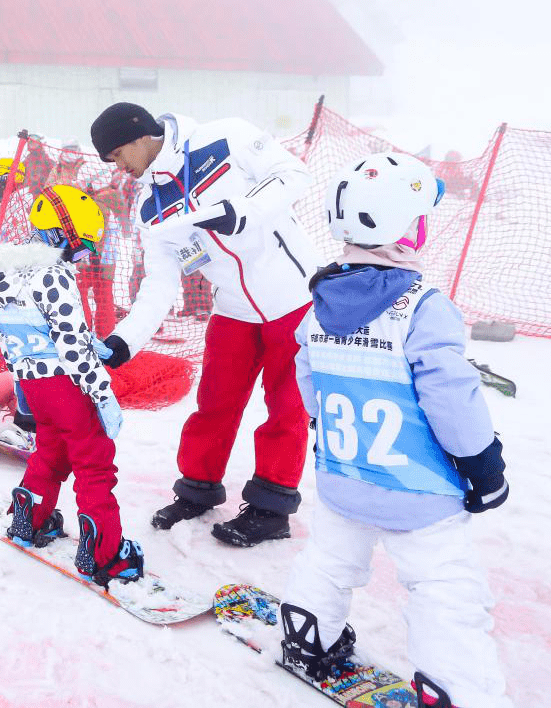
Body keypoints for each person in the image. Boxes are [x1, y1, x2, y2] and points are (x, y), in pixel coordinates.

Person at [281, 152, 513, 708]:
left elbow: (308, 379)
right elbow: (451, 396)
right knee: (443, 588)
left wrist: (327, 429)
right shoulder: (422, 308)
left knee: (330, 560)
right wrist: (482, 462)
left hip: (344, 476)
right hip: (420, 491)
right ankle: (457, 689)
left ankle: (307, 634)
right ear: (407, 229)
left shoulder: (318, 308)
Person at [91, 101, 321, 547]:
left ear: (139, 136)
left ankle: (272, 506)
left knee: (286, 406)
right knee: (213, 402)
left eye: (117, 155)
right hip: (232, 309)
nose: (119, 168)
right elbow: (159, 285)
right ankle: (197, 489)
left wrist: (242, 210)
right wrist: (124, 340)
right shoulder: (149, 207)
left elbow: (294, 176)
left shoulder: (225, 136)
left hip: (291, 299)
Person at [0, 184, 141, 587]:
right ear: (61, 232)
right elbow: (72, 347)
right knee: (93, 460)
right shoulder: (53, 275)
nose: (81, 259)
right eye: (80, 248)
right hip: (66, 385)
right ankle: (105, 554)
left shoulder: (4, 272)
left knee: (51, 450)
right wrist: (102, 393)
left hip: (32, 383)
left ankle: (30, 520)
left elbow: (23, 334)